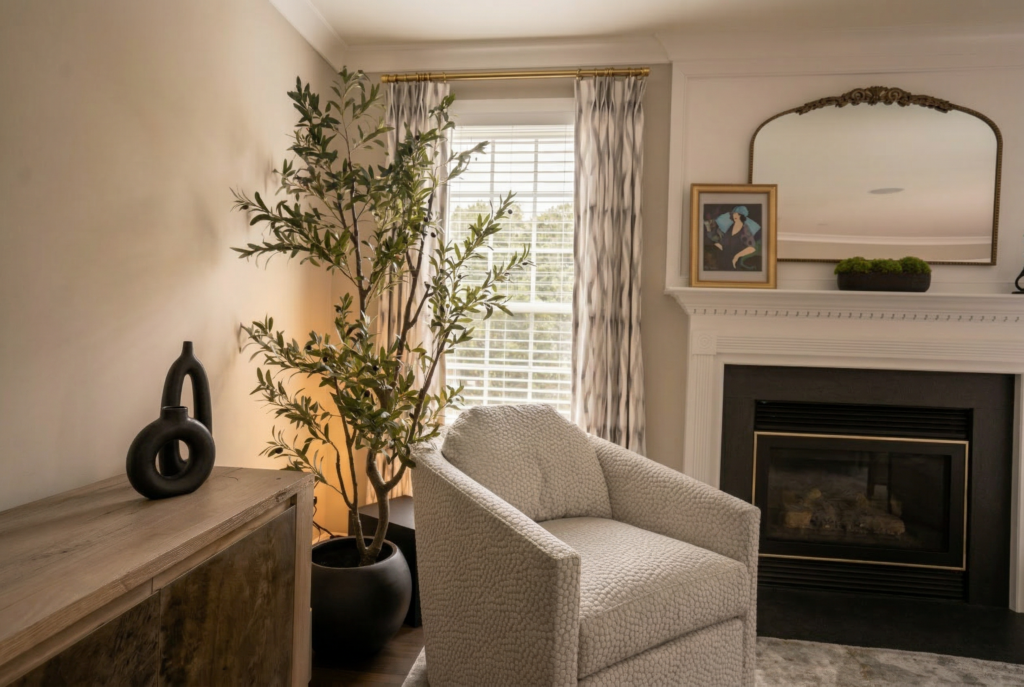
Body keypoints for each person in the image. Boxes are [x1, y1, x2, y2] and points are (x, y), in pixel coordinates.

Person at [709, 206, 760, 271]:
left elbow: (752, 248)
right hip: (723, 260)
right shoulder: (730, 227)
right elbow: (724, 243)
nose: (735, 215)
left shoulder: (744, 229)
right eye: (734, 213)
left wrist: (737, 256)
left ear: (742, 216)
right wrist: (718, 245)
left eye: (738, 214)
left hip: (734, 263)